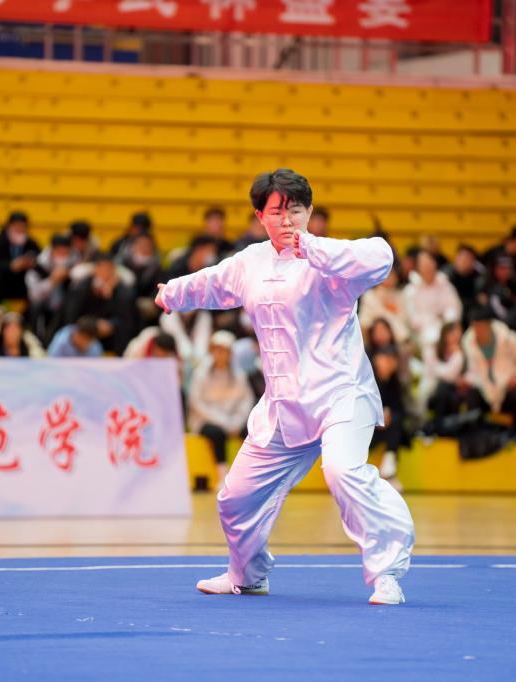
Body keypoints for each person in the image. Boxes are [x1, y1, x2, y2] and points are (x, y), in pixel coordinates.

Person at [155, 168, 414, 605]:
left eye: (296, 210)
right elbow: (211, 282)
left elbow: (381, 256)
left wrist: (312, 247)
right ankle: (247, 574)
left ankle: (387, 573)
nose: (287, 219)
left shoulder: (331, 259)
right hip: (283, 404)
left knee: (343, 471)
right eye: (276, 211)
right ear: (260, 216)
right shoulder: (250, 262)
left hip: (340, 394)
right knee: (235, 497)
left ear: (309, 211)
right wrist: (172, 293)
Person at [187, 330, 255, 487]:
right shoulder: (201, 373)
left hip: (233, 420)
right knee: (216, 434)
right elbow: (197, 402)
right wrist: (221, 421)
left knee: (251, 432)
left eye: (224, 350)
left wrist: (237, 420)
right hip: (206, 420)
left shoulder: (239, 374)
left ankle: (248, 475)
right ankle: (223, 476)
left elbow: (246, 400)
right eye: (216, 350)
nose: (220, 354)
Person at [461, 304, 516, 429]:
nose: (477, 330)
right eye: (474, 326)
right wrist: (466, 380)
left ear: (489, 324)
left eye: (480, 326)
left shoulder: (508, 338)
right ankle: (477, 431)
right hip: (483, 387)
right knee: (471, 396)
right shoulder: (468, 344)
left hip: (508, 383)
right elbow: (470, 371)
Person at [64, 252, 136, 356]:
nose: (105, 273)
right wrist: (94, 325)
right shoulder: (82, 287)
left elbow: (126, 318)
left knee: (123, 332)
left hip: (111, 331)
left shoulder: (122, 291)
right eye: (102, 269)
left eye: (109, 269)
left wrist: (110, 298)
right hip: (86, 326)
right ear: (95, 269)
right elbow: (72, 315)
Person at [403, 249, 462, 351]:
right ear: (418, 267)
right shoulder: (411, 290)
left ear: (435, 264)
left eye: (430, 263)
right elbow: (412, 317)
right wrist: (433, 319)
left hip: (445, 329)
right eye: (424, 265)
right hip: (421, 334)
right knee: (430, 339)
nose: (427, 268)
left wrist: (446, 323)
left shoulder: (445, 285)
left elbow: (453, 307)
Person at [370, 344, 410, 491]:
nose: (389, 363)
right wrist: (377, 416)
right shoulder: (367, 379)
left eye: (392, 359)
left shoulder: (395, 381)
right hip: (368, 427)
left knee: (397, 420)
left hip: (387, 428)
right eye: (385, 358)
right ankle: (389, 472)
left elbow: (400, 408)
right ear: (376, 360)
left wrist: (388, 414)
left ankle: (389, 468)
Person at [0, 211, 39, 304]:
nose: (19, 229)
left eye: (22, 227)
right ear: (8, 227)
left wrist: (30, 264)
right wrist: (10, 265)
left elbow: (40, 262)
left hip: (23, 283)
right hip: (3, 283)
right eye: (16, 226)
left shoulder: (32, 244)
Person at [27, 234, 75, 342]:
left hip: (64, 307)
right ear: (52, 250)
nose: (62, 256)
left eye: (65, 253)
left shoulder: (74, 261)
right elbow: (34, 295)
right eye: (59, 252)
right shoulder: (37, 265)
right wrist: (52, 281)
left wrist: (69, 275)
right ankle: (38, 340)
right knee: (35, 307)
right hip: (45, 307)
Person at [442, 244, 481, 311]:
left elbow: (481, 299)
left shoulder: (478, 277)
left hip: (470, 310)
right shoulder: (445, 275)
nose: (463, 261)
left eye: (467, 259)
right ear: (456, 258)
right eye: (461, 258)